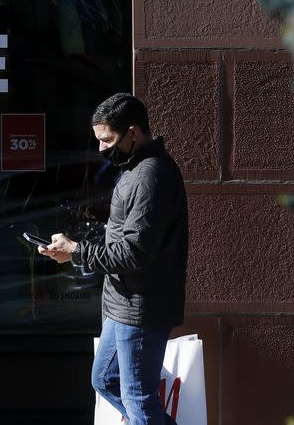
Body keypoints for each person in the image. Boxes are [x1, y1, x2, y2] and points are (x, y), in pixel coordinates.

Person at [39, 93, 188, 425]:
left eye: (107, 140)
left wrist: (77, 250)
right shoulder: (137, 171)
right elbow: (124, 236)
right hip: (124, 304)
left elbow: (134, 252)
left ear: (132, 133)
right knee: (105, 379)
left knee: (137, 397)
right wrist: (78, 244)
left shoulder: (151, 176)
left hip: (139, 308)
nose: (102, 150)